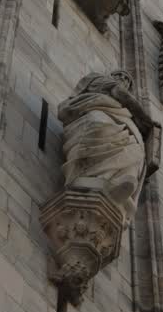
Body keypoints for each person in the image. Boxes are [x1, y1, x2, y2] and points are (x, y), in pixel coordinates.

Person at [57, 71, 157, 226]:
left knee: (136, 150)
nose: (123, 80)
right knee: (99, 124)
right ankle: (91, 176)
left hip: (121, 118)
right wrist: (145, 119)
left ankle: (113, 181)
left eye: (127, 80)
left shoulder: (125, 108)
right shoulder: (98, 79)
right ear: (111, 75)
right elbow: (120, 93)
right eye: (120, 76)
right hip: (96, 108)